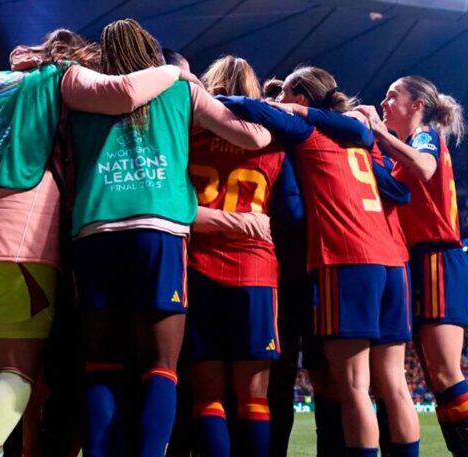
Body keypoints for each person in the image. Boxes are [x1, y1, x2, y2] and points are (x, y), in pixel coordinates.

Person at [0, 29, 199, 457]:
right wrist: (174, 71)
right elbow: (125, 92)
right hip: (17, 236)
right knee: (17, 369)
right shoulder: (62, 77)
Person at [67, 19, 271, 457]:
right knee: (160, 368)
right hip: (159, 232)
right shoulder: (181, 88)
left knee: (101, 367)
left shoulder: (80, 92)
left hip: (94, 230)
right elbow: (254, 137)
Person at [220, 66, 410, 457]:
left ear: (301, 100)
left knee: (351, 387)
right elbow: (399, 190)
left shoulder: (306, 132)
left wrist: (196, 97)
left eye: (285, 97)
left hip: (341, 259)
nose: (280, 104)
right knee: (393, 386)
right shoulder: (359, 139)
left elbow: (251, 106)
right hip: (391, 261)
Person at [357, 76, 468, 457]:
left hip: (437, 256)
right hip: (416, 260)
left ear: (417, 104)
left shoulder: (426, 135)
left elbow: (426, 168)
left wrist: (378, 132)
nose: (383, 103)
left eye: (391, 96)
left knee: (447, 374)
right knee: (435, 378)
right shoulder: (402, 151)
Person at [184, 55, 286, 457]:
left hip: (198, 267)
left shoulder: (187, 137)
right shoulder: (272, 140)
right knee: (254, 398)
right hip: (256, 270)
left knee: (206, 395)